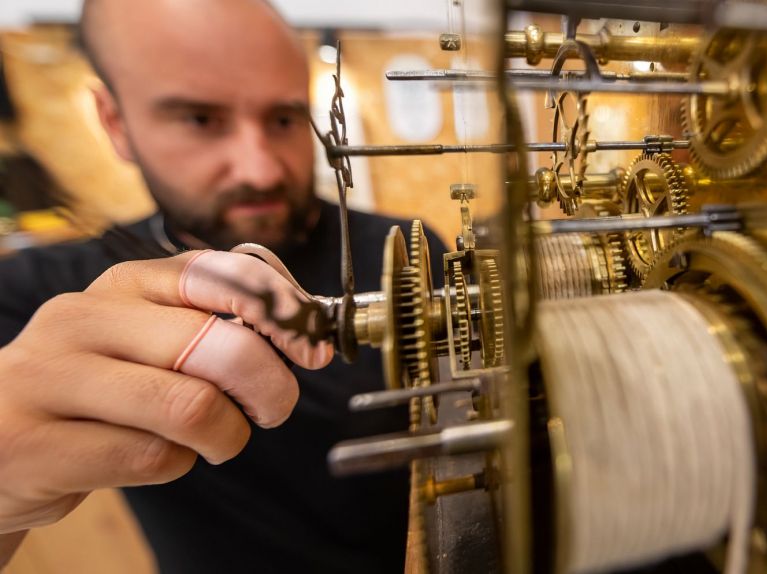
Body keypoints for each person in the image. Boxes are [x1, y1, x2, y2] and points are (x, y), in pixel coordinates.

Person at [0, 0, 447, 571]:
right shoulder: (41, 296)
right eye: (201, 120)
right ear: (116, 122)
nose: (259, 169)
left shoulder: (409, 251)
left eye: (284, 118)